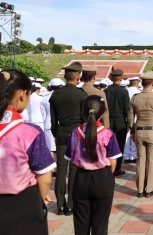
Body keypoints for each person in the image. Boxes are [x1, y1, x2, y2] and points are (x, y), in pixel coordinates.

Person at [0, 70, 56, 235]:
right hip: (23, 204)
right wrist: (42, 197)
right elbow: (45, 177)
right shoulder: (29, 132)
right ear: (23, 94)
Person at [65, 95, 121, 235]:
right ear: (102, 113)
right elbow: (113, 161)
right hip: (102, 177)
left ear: (84, 111)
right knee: (100, 224)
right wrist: (109, 174)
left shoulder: (74, 133)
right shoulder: (107, 133)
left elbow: (71, 160)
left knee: (80, 223)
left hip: (81, 178)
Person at [50, 61, 88, 215]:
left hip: (62, 132)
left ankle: (60, 204)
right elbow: (85, 118)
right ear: (78, 76)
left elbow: (53, 120)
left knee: (60, 169)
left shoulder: (56, 94)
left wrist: (56, 134)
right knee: (74, 169)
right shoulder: (81, 94)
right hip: (77, 133)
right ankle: (71, 205)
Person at [128, 71, 153, 197]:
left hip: (139, 131)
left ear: (142, 83)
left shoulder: (135, 97)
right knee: (151, 160)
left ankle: (140, 189)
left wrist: (132, 131)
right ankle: (149, 189)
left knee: (140, 160)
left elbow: (130, 117)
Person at [104, 69, 130, 176]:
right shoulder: (124, 92)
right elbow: (126, 109)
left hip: (108, 120)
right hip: (120, 121)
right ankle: (117, 167)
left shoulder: (105, 91)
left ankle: (107, 165)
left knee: (106, 144)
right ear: (120, 78)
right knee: (120, 144)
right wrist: (128, 123)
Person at [41, 78, 64, 156]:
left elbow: (43, 113)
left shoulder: (45, 97)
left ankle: (52, 167)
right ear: (61, 86)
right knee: (60, 148)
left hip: (48, 123)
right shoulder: (62, 96)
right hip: (61, 124)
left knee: (50, 148)